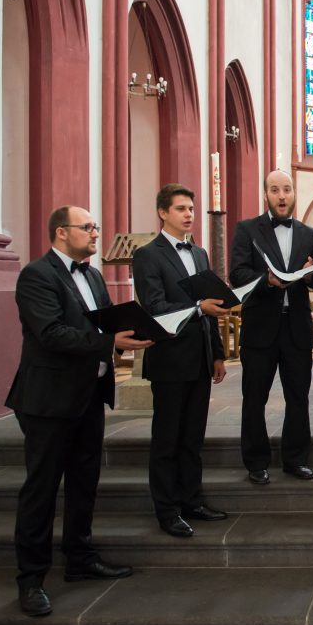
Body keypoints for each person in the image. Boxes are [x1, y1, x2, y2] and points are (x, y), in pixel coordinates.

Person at [6, 206, 152, 617]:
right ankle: (31, 578)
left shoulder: (91, 274)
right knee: (42, 488)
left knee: (85, 481)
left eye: (95, 227)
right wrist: (109, 342)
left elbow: (103, 325)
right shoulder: (36, 275)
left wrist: (129, 336)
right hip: (48, 400)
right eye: (87, 227)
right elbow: (51, 333)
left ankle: (79, 558)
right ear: (60, 232)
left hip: (88, 394)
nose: (94, 232)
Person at [132, 184, 228, 538]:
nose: (189, 214)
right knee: (167, 438)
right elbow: (155, 307)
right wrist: (197, 308)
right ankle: (167, 509)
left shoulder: (200, 253)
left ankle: (192, 500)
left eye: (191, 208)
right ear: (162, 213)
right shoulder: (148, 255)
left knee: (192, 437)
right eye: (181, 208)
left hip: (200, 357)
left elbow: (212, 306)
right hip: (170, 358)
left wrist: (217, 353)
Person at [229, 170, 313, 485]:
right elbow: (238, 273)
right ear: (265, 194)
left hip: (296, 326)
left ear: (294, 192)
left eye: (286, 189)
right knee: (254, 397)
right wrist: (265, 281)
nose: (281, 196)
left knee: (298, 396)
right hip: (260, 327)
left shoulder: (309, 233)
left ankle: (296, 459)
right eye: (275, 190)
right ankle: (256, 461)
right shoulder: (247, 229)